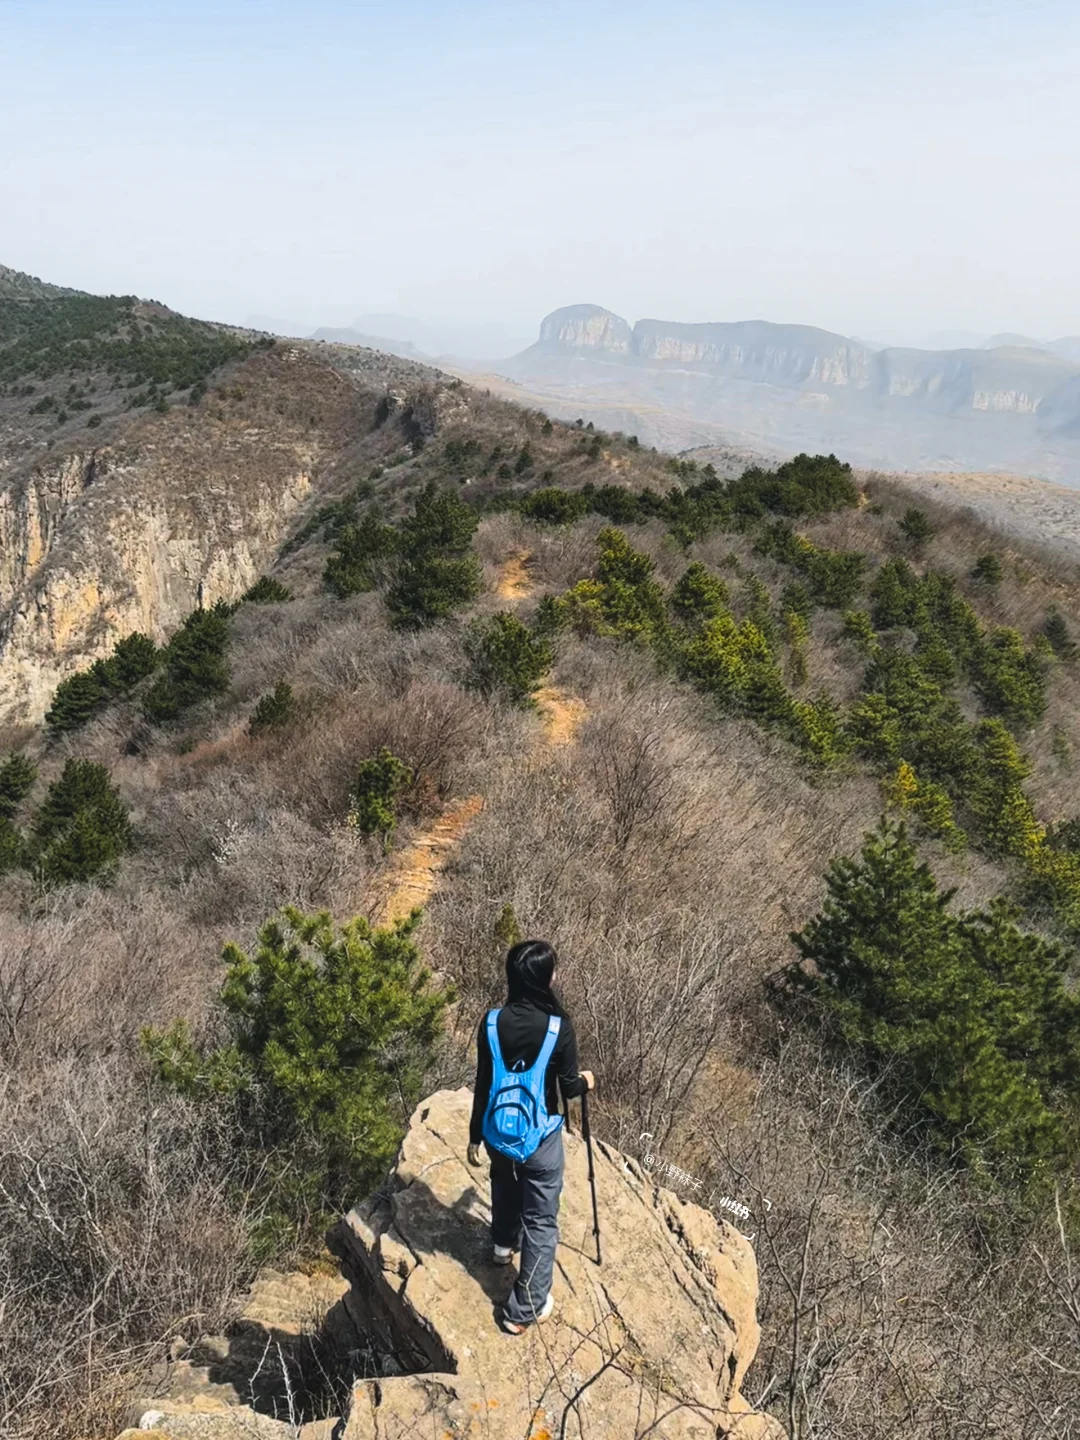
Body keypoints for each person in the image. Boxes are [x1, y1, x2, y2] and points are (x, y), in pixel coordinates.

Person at [467, 938, 595, 1335]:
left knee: (504, 1184)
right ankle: (524, 1309)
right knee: (540, 1220)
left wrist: (475, 1135)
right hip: (539, 1137)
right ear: (543, 978)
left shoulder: (491, 1022)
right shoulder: (558, 1027)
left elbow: (484, 1082)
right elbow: (569, 1088)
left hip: (497, 1130)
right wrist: (587, 1082)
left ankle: (503, 1246)